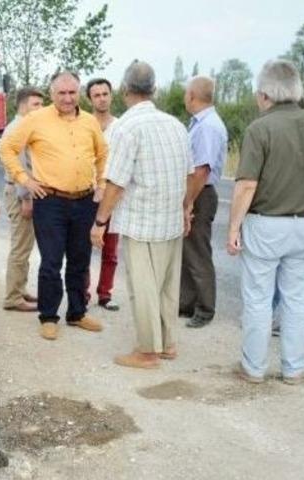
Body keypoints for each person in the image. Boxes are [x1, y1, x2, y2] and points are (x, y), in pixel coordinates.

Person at [226, 59, 304, 385]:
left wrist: (233, 228)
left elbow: (247, 185)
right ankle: (294, 368)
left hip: (266, 225)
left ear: (264, 94)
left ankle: (253, 368)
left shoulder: (260, 128)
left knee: (258, 299)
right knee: (297, 299)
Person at [91, 61, 193, 369]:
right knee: (167, 287)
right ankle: (168, 343)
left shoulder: (125, 127)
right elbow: (189, 174)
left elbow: (116, 183)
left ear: (124, 90)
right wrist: (186, 209)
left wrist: (100, 221)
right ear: (154, 89)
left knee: (144, 288)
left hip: (142, 223)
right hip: (171, 220)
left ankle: (147, 351)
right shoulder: (176, 125)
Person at [0, 71, 108, 341]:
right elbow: (7, 149)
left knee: (80, 260)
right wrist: (25, 179)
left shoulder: (89, 121)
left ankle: (77, 313)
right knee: (51, 262)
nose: (68, 98)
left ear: (79, 92)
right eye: (62, 93)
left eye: (72, 92)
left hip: (85, 200)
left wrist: (102, 183)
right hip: (50, 202)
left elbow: (103, 154)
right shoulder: (36, 119)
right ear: (52, 94)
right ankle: (48, 316)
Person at [179, 76, 228, 328]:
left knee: (198, 252)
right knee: (188, 251)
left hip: (200, 193)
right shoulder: (200, 123)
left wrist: (188, 202)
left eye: (186, 93)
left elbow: (201, 170)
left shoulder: (207, 126)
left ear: (192, 95)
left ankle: (205, 309)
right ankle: (187, 303)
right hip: (197, 192)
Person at [2, 87, 44, 313]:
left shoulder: (23, 126)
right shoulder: (17, 128)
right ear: (23, 105)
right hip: (20, 193)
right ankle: (13, 297)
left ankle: (19, 289)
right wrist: (26, 199)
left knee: (24, 245)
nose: (41, 108)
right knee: (20, 246)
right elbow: (18, 168)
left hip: (21, 191)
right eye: (36, 104)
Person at [85, 77, 121, 311]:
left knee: (111, 250)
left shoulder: (121, 126)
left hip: (112, 194)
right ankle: (83, 294)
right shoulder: (83, 124)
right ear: (90, 99)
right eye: (96, 95)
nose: (102, 99)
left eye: (105, 94)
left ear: (111, 95)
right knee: (83, 248)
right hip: (87, 194)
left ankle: (105, 294)